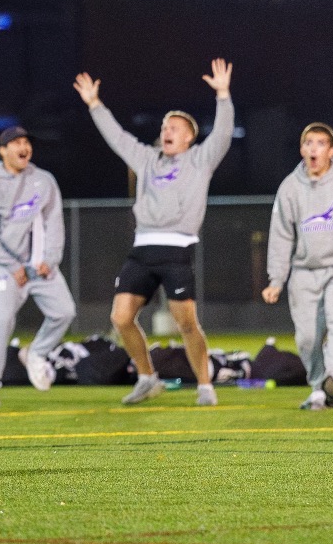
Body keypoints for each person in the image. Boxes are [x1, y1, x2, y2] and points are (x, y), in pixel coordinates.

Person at [73, 59, 234, 407]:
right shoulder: (147, 160)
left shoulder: (200, 160)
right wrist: (95, 104)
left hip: (176, 250)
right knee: (120, 318)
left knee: (186, 323)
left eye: (174, 127)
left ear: (189, 136)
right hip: (142, 249)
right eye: (164, 126)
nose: (166, 131)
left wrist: (223, 95)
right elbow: (117, 138)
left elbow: (222, 134)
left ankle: (205, 385)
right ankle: (148, 378)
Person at [261, 122, 333, 410]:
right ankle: (319, 388)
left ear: (331, 151)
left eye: (321, 143)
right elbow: (281, 236)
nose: (314, 149)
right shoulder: (289, 187)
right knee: (307, 337)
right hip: (303, 272)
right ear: (301, 149)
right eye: (308, 143)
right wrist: (276, 280)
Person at [0, 124, 74, 409]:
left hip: (41, 266)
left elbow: (54, 223)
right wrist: (12, 265)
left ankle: (36, 353)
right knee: (2, 320)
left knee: (64, 312)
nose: (24, 147)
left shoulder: (44, 180)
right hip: (7, 269)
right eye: (16, 143)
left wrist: (50, 259)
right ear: (3, 151)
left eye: (26, 142)